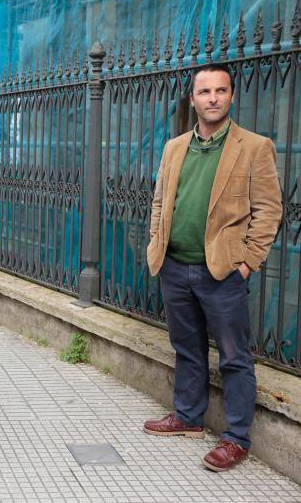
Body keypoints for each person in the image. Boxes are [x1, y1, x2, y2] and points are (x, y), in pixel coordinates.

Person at [143, 63, 282, 472]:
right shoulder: (175, 147)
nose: (213, 98)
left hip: (222, 273)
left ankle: (236, 437)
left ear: (232, 96)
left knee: (235, 357)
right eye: (205, 92)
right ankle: (187, 417)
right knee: (186, 348)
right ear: (193, 99)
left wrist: (247, 264)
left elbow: (269, 211)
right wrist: (157, 243)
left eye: (221, 90)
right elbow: (159, 201)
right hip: (175, 267)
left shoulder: (254, 146)